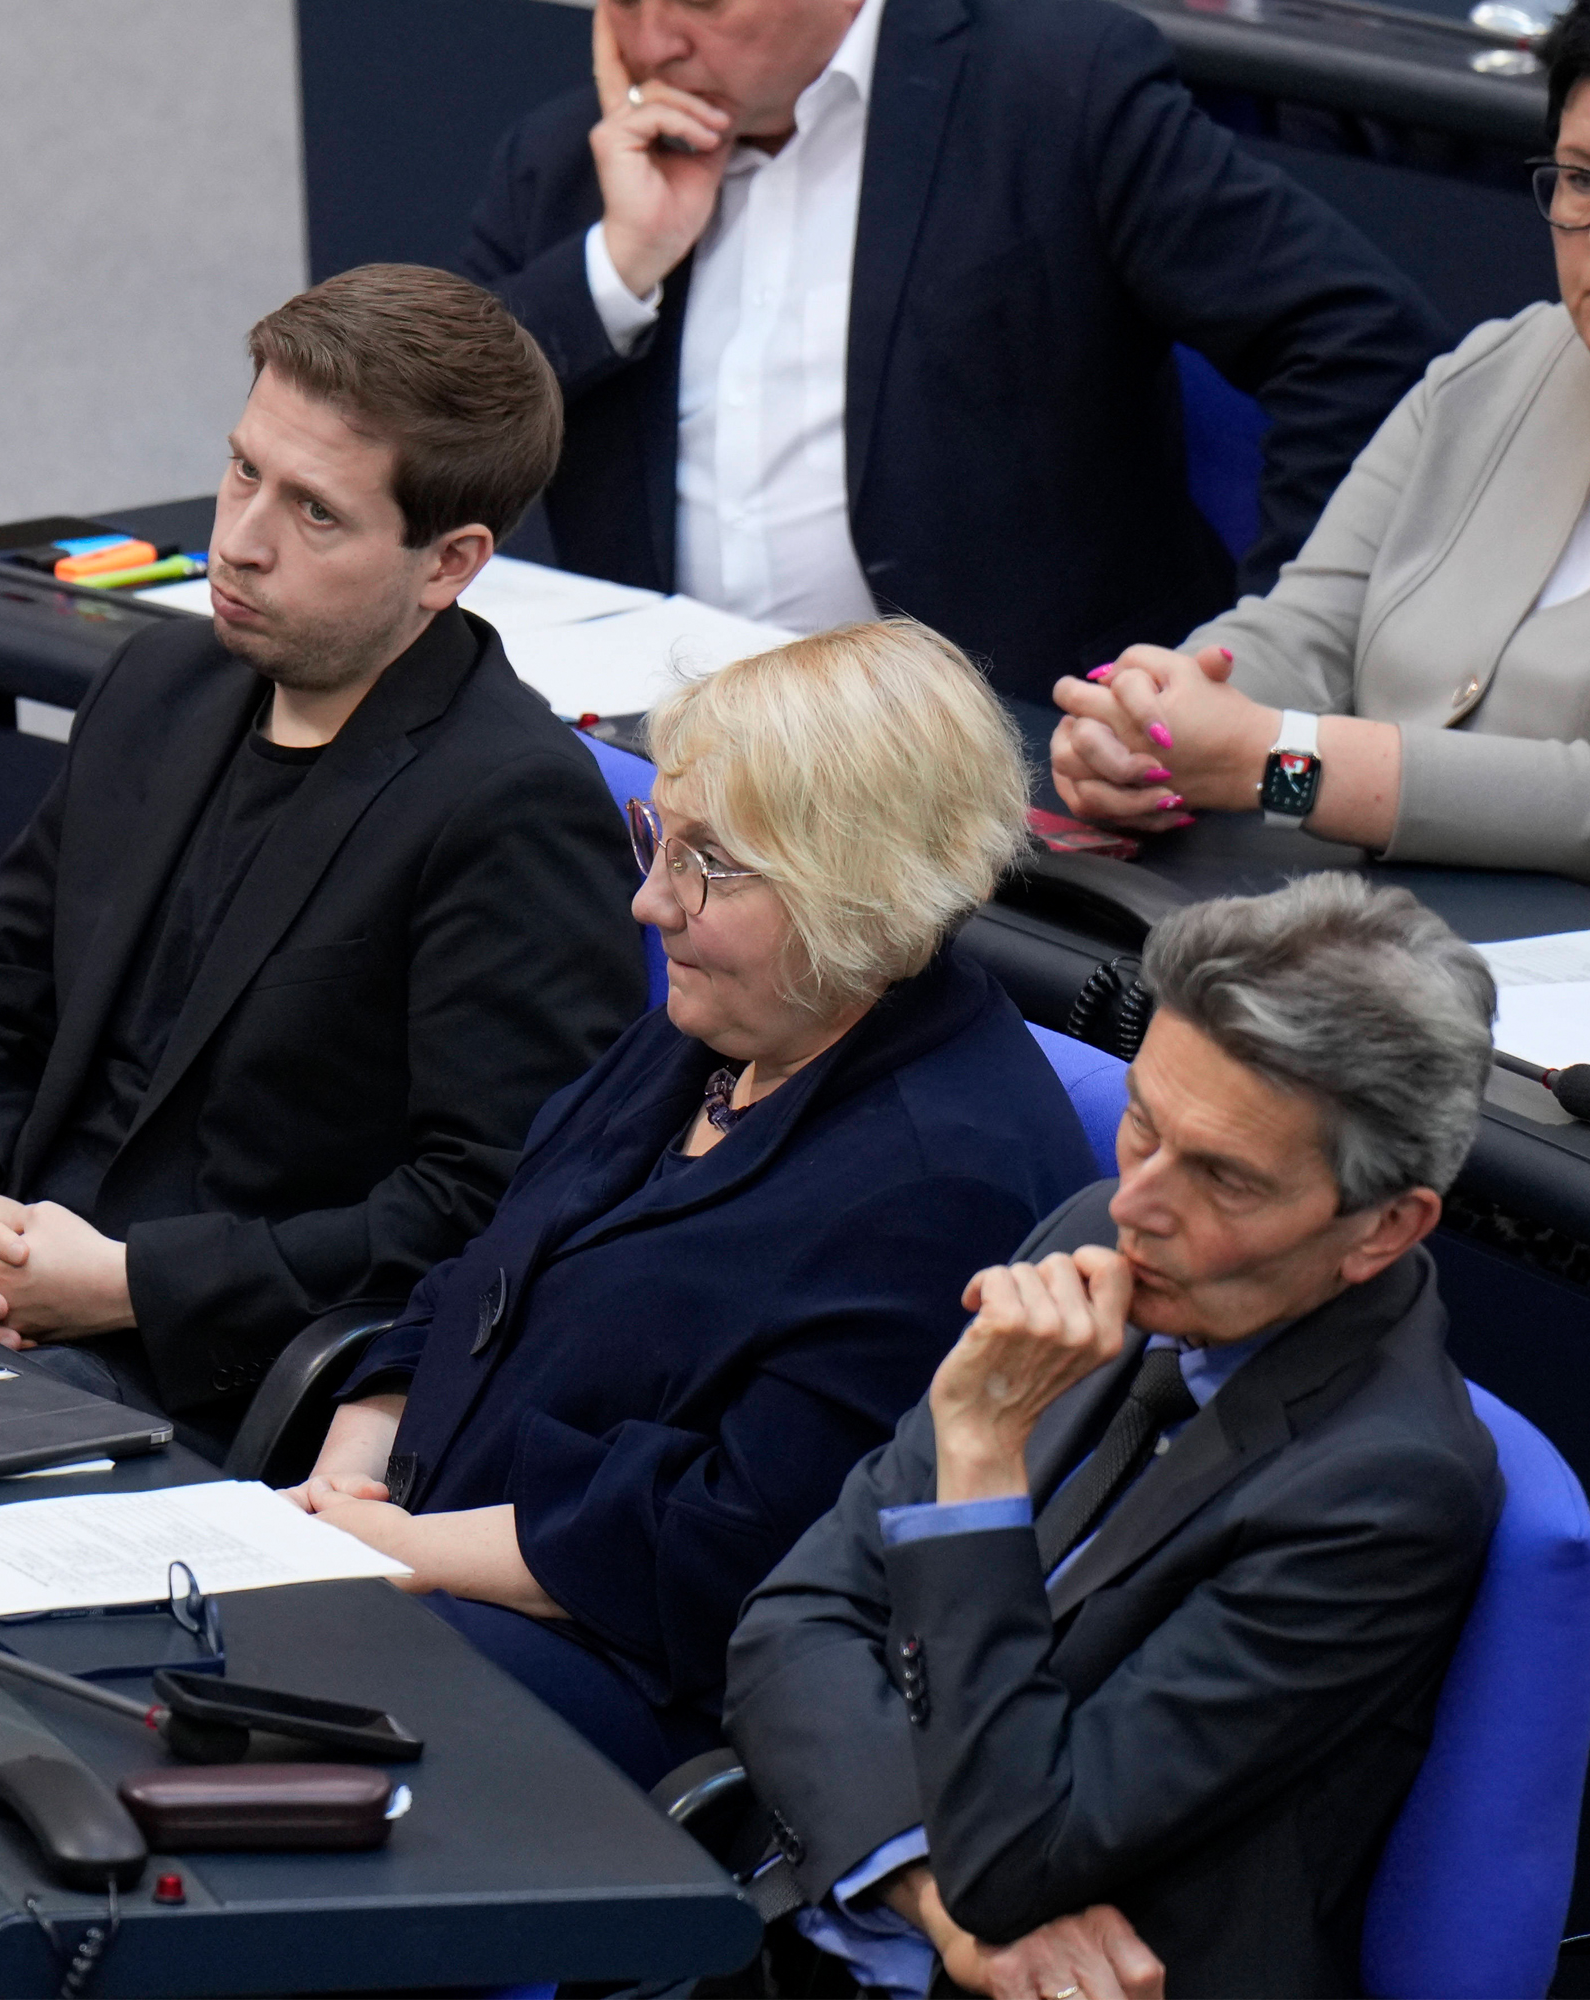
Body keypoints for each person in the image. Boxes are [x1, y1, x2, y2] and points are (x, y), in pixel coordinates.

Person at [283, 621, 1093, 1789]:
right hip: (426, 1555)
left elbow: (733, 1541)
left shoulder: (941, 1182)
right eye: (658, 838)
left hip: (636, 1685)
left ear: (856, 885)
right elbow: (488, 1262)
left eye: (705, 861)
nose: (651, 904)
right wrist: (357, 1459)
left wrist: (402, 1550)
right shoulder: (727, 1024)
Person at [0, 265, 646, 1448]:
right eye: (241, 470)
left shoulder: (511, 804)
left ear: (448, 560)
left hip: (205, 1389)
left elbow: (480, 1207)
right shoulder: (157, 684)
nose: (240, 540)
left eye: (315, 511)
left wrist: (126, 1281)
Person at [725, 874, 1504, 2000]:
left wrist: (980, 1461)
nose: (1139, 1199)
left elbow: (1018, 1853)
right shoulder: (1101, 1229)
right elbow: (789, 1620)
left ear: (1384, 1226)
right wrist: (927, 1894)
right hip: (820, 1932)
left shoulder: (1385, 1489)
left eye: (1223, 1176)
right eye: (1143, 1120)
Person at [459, 0, 1446, 695]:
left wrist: (1265, 650)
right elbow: (422, 442)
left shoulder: (1052, 87)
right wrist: (616, 265)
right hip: (679, 754)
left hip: (994, 770)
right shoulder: (571, 162)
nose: (649, 39)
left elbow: (1360, 340)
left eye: (703, 1)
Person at [1051, 0, 1590, 897]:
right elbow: (1309, 627)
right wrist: (1153, 721)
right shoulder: (1500, 369)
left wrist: (1278, 763)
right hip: (1355, 951)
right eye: (1579, 179)